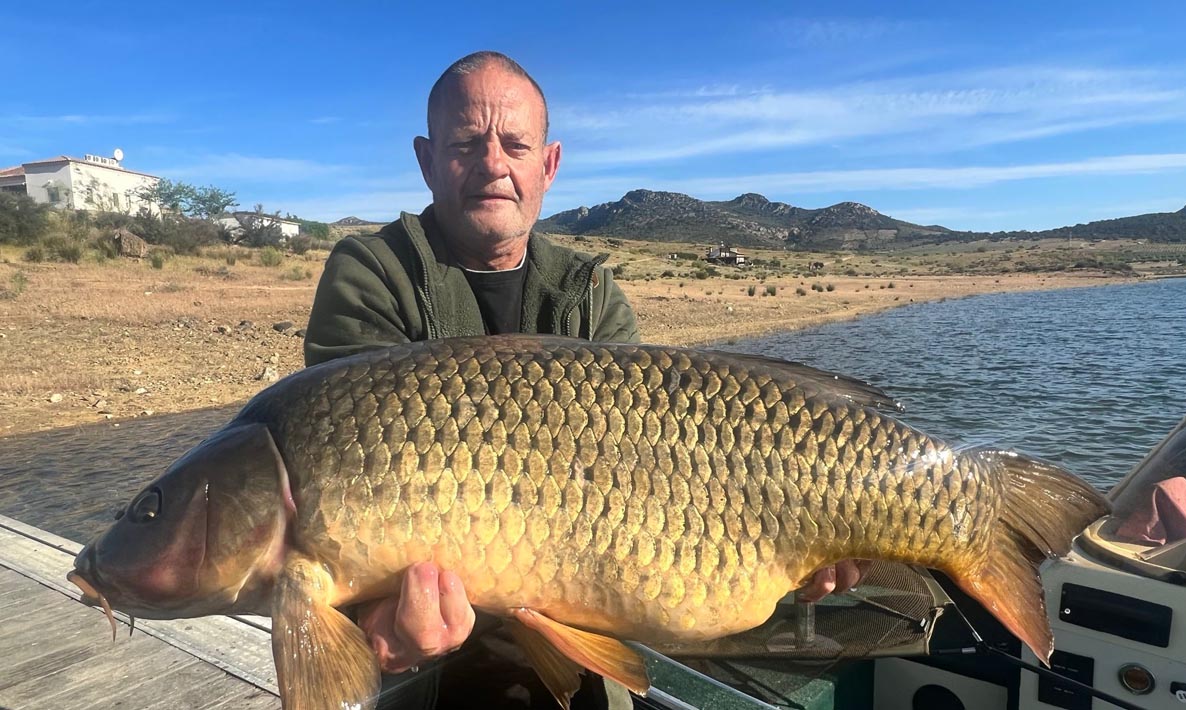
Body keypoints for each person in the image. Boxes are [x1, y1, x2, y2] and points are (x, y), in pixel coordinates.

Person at [304, 50, 866, 708]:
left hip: (582, 631)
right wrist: (378, 626)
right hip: (429, 672)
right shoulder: (374, 273)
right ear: (428, 161)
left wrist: (805, 525)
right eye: (465, 143)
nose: (493, 165)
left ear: (549, 165)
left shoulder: (591, 294)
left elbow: (661, 483)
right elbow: (338, 498)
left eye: (516, 144)